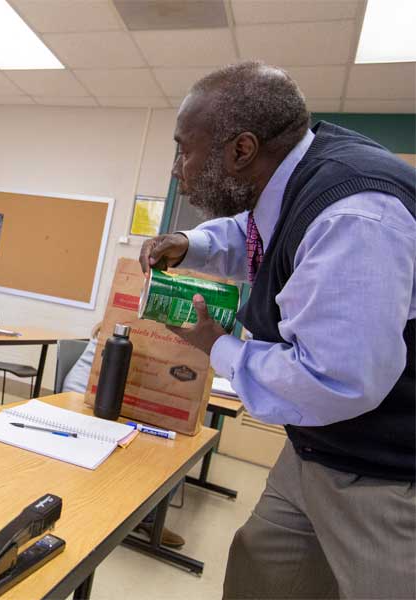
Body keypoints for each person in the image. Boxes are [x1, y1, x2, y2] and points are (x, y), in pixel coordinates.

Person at [140, 61, 414, 599]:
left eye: (184, 149)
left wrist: (217, 346)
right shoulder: (296, 171)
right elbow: (260, 229)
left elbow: (335, 381)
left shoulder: (353, 218)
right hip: (314, 449)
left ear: (241, 151)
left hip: (387, 472)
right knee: (259, 570)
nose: (177, 169)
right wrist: (191, 243)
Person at [62, 324, 185, 548]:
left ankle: (145, 515)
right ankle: (127, 513)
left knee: (177, 444)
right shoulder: (124, 322)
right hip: (85, 394)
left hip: (120, 398)